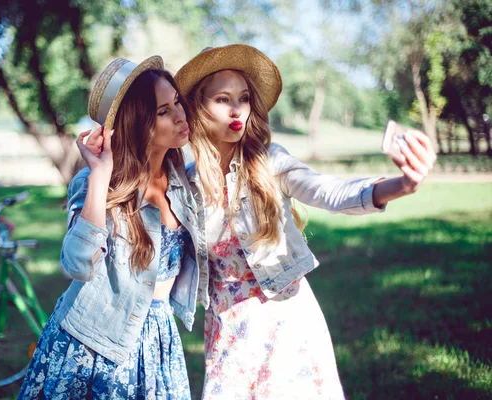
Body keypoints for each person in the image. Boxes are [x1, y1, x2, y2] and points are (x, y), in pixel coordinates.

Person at [174, 44, 436, 399]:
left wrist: (401, 185)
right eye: (222, 99)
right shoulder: (185, 184)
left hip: (286, 318)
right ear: (198, 108)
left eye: (244, 98)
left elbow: (329, 191)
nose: (237, 110)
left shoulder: (269, 161)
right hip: (227, 326)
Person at [19, 55, 205, 399]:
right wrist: (101, 175)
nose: (180, 115)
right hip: (93, 345)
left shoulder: (183, 180)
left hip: (158, 336)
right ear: (138, 124)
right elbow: (76, 264)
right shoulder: (96, 182)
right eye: (163, 111)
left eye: (177, 102)